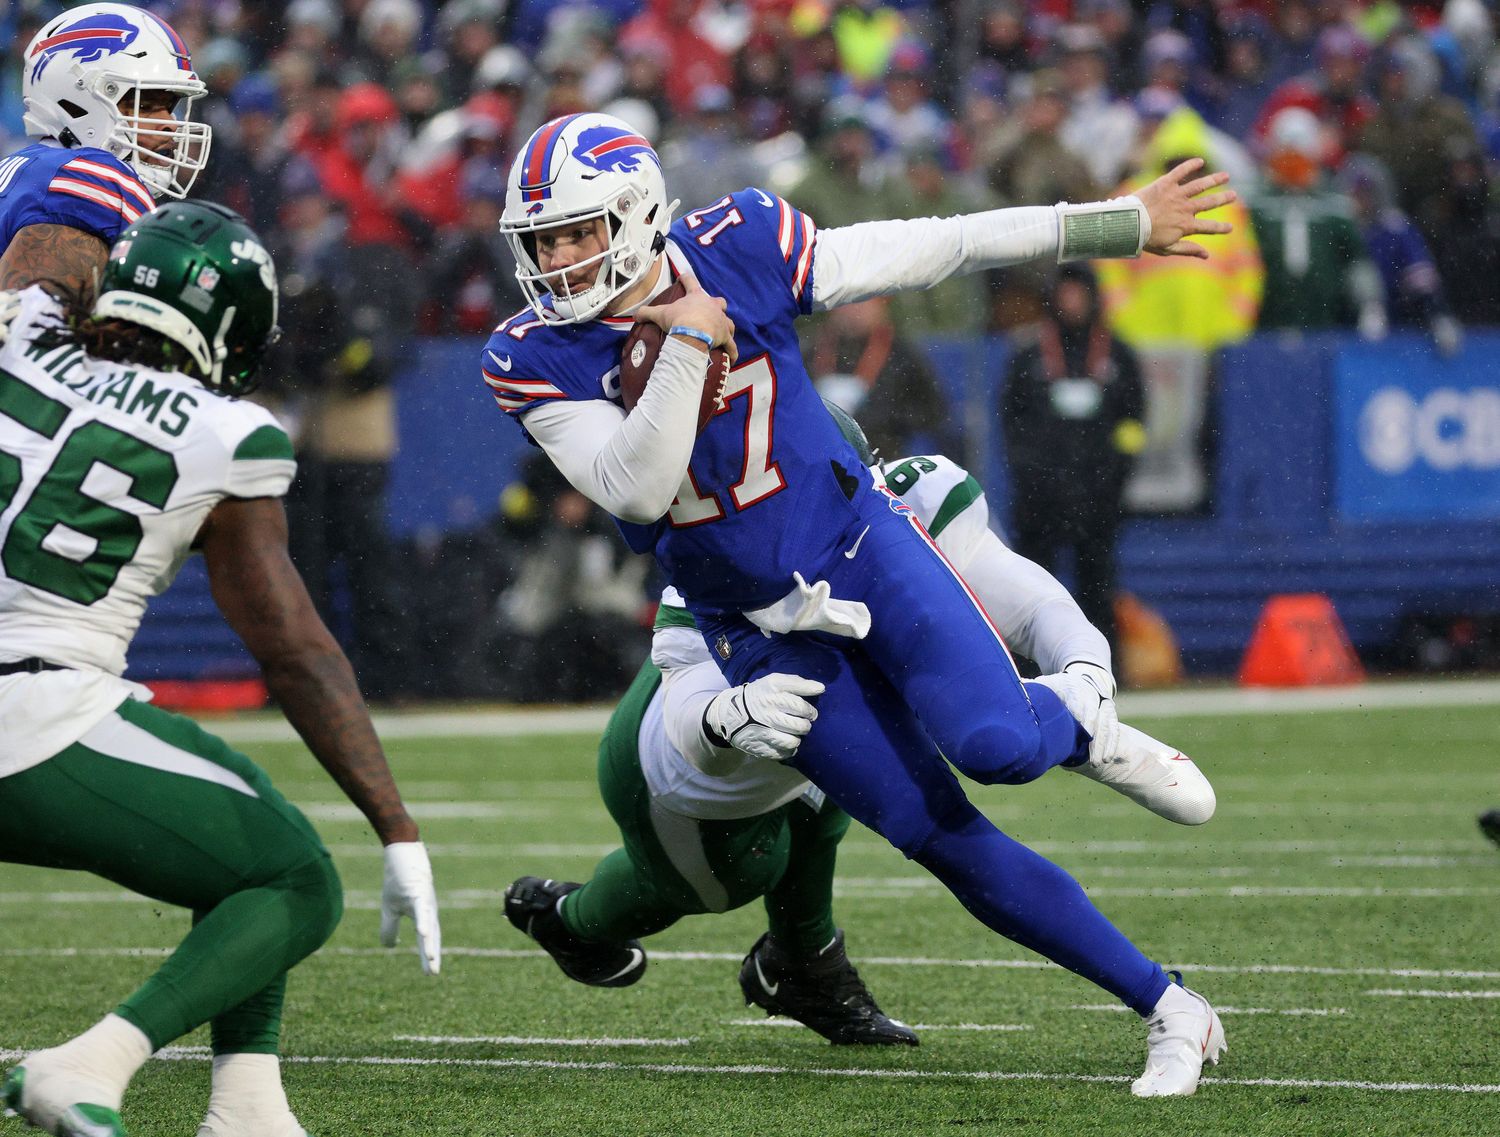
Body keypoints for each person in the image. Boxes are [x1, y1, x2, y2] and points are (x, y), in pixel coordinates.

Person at [485, 111, 1232, 1097]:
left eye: (578, 232)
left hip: (863, 546)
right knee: (937, 835)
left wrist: (1113, 225)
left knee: (1000, 746)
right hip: (757, 630)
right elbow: (636, 487)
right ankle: (1171, 1008)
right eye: (542, 241)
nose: (559, 260)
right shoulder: (531, 353)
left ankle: (1080, 714)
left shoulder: (739, 243)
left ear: (636, 213)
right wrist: (685, 349)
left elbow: (937, 244)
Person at [505, 404, 1212, 1047]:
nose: (813, 531)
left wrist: (1088, 680)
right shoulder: (718, 566)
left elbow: (1029, 602)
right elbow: (681, 718)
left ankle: (805, 964)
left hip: (799, 750)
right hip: (681, 780)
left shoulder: (902, 507)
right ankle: (570, 922)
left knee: (851, 770)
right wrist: (726, 716)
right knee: (737, 873)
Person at [0, 201, 440, 1137]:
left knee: (237, 825)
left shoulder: (22, 325)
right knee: (295, 876)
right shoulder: (229, 432)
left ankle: (249, 1105)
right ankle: (86, 1065)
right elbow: (292, 649)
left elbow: (40, 235)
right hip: (35, 714)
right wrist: (395, 826)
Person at [0, 3, 212, 293]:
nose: (170, 124)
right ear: (77, 99)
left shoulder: (29, 168)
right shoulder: (92, 180)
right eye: (146, 104)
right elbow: (29, 331)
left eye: (169, 106)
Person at [1003, 266, 1146, 653]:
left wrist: (1113, 475)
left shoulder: (1118, 353)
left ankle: (1104, 665)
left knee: (1097, 585)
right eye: (1065, 295)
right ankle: (1031, 671)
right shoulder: (1029, 354)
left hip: (1098, 496)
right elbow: (1011, 423)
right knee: (1035, 588)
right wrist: (1034, 475)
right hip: (1040, 499)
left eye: (1078, 294)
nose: (1072, 304)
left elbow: (1134, 423)